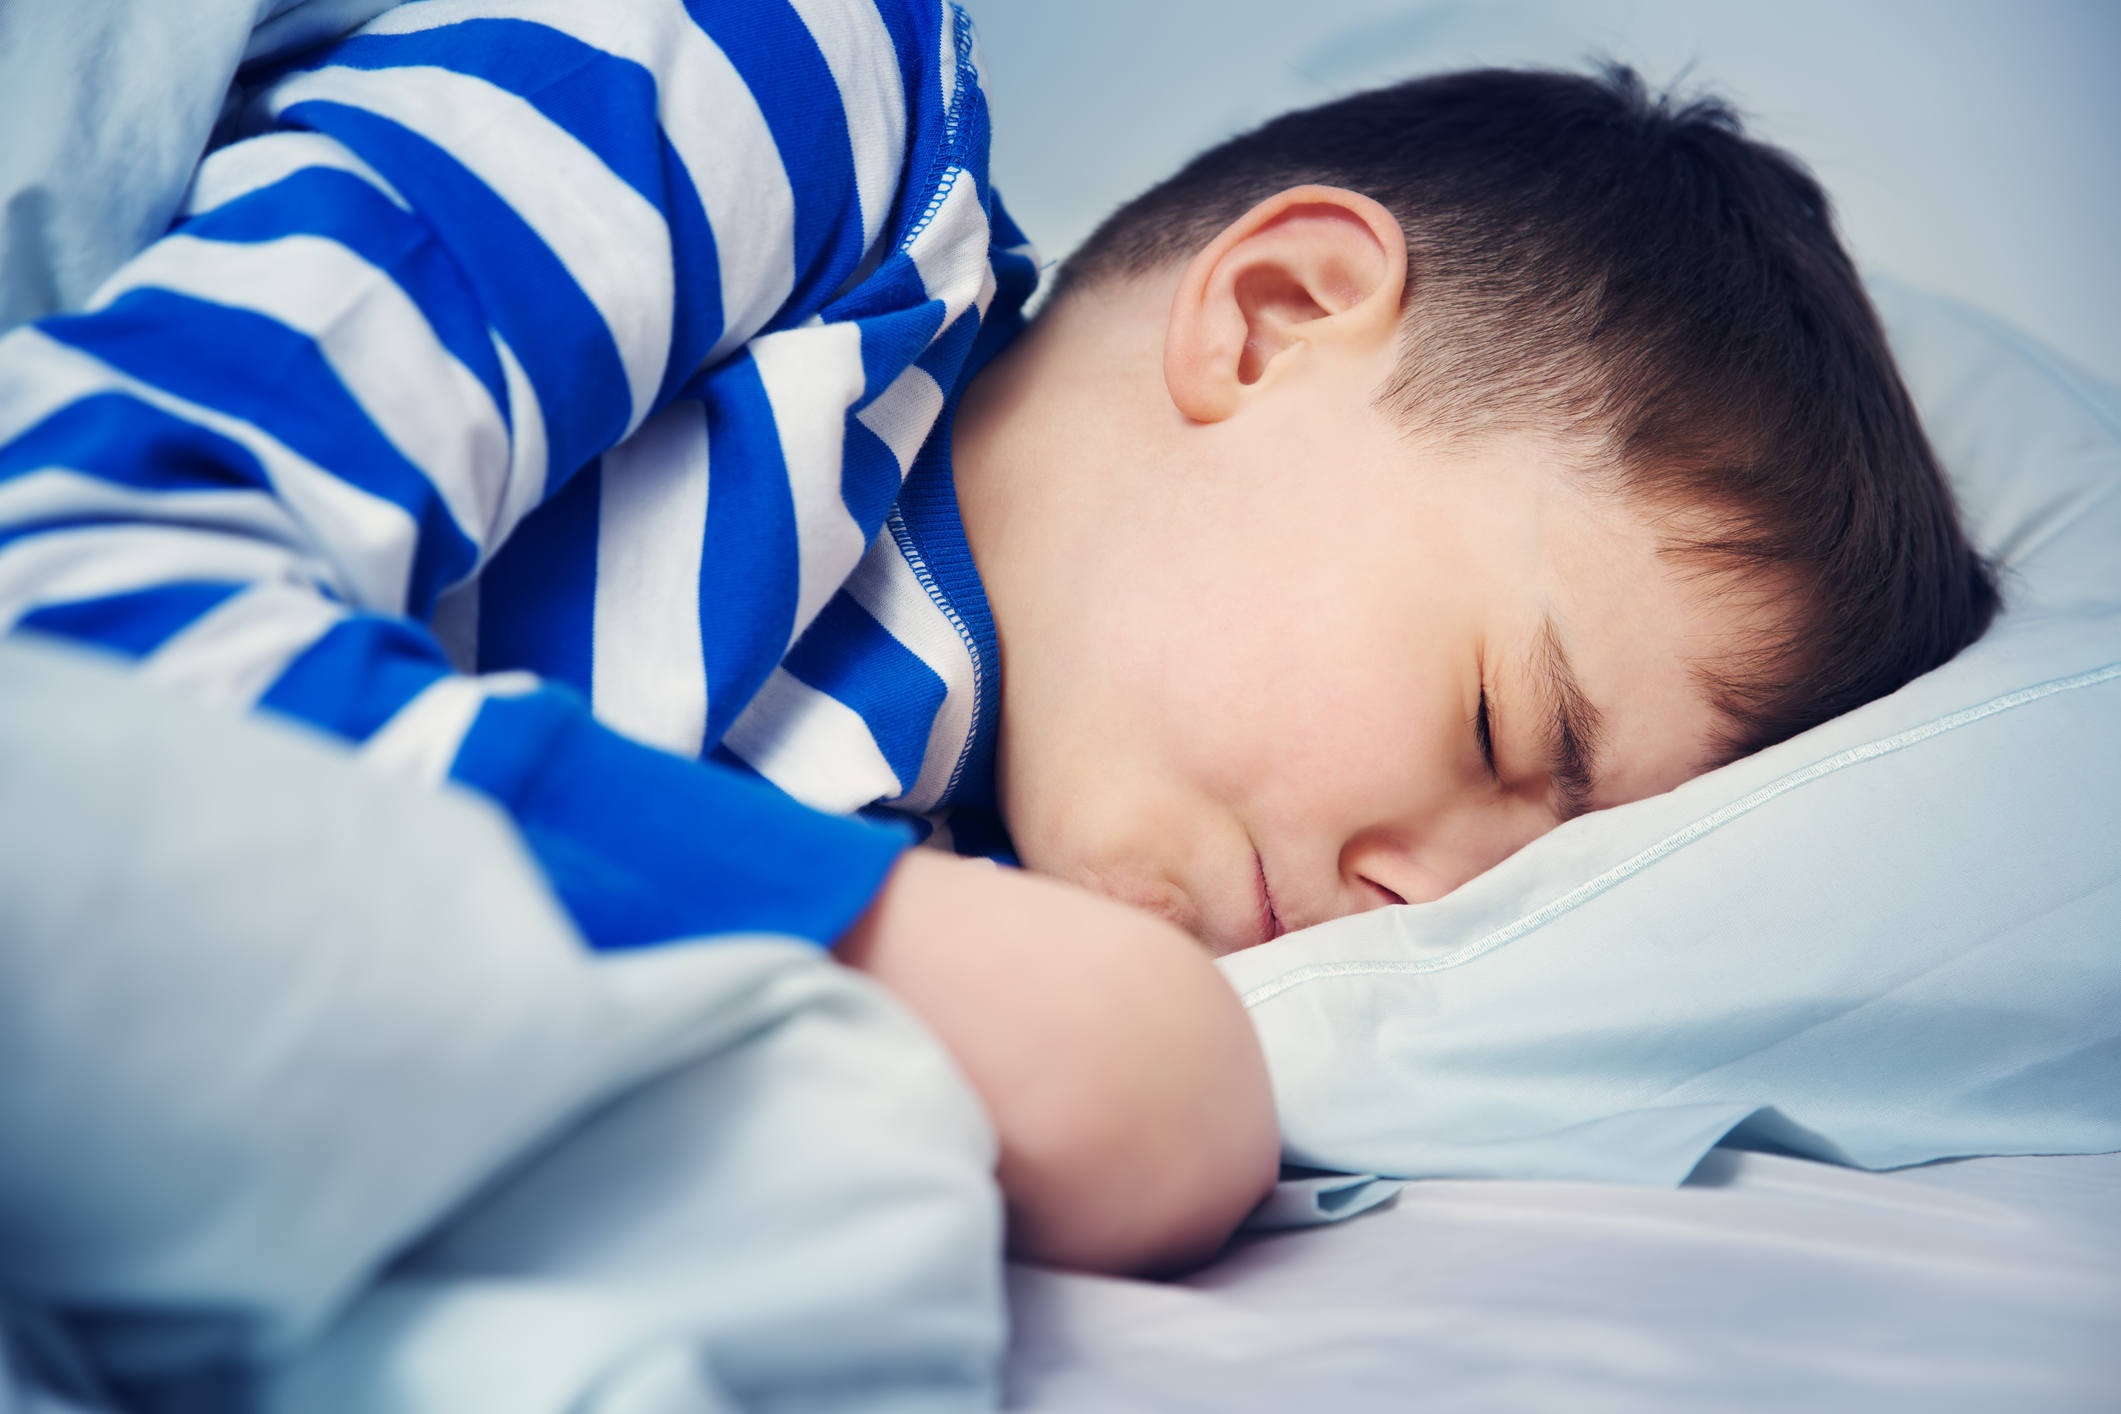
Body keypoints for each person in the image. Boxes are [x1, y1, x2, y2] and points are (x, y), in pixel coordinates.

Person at [0, 0, 1994, 1276]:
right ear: (1275, 314)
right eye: (1497, 718)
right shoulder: (785, 82)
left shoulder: (945, 790)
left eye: (1518, 880)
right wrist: (904, 948)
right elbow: (66, 560)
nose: (1411, 894)